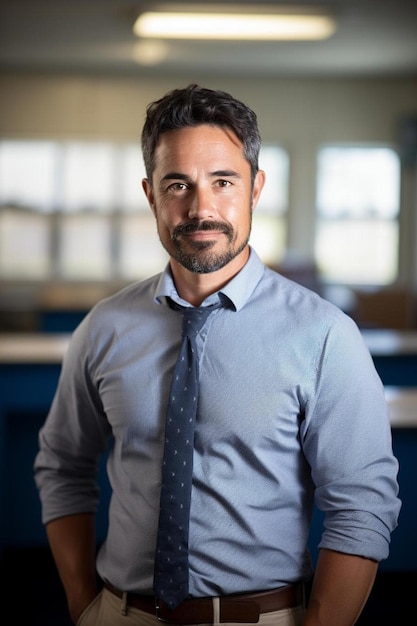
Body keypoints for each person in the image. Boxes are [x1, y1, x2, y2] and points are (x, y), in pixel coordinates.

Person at [34, 84, 401, 626]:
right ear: (150, 194)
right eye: (177, 184)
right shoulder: (103, 328)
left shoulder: (323, 335)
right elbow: (63, 466)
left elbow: (361, 505)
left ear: (255, 188)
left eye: (223, 182)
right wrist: (83, 603)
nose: (200, 208)